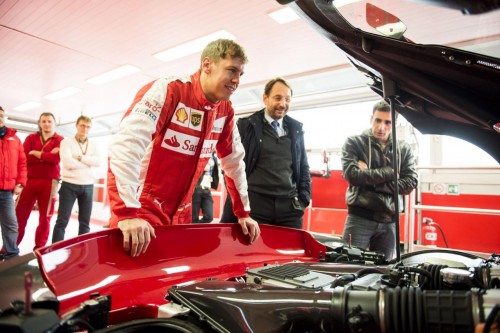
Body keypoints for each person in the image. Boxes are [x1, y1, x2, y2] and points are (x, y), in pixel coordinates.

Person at [107, 39, 260, 257]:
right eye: (232, 70)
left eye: (240, 74)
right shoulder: (168, 90)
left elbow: (234, 162)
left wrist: (243, 212)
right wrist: (127, 212)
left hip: (182, 213)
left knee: (172, 284)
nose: (236, 80)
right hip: (141, 211)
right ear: (207, 65)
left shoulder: (225, 111)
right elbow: (126, 145)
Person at [220, 77, 311, 229]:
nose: (283, 104)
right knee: (253, 252)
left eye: (287, 99)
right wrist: (240, 203)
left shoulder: (296, 130)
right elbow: (230, 166)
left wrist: (304, 199)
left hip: (289, 209)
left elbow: (304, 167)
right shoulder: (246, 126)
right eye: (278, 98)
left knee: (290, 252)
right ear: (265, 98)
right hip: (255, 205)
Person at [341, 100, 418, 260]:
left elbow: (410, 183)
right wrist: (390, 172)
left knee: (383, 273)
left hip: (390, 221)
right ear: (371, 119)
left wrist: (368, 177)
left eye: (387, 122)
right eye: (378, 120)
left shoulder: (403, 149)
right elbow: (352, 175)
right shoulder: (354, 142)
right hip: (360, 217)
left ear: (394, 123)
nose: (381, 127)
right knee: (348, 266)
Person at [16, 112, 63, 250]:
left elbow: (56, 159)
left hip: (50, 182)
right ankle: (10, 247)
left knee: (45, 218)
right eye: (44, 121)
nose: (47, 124)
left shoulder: (60, 140)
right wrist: (47, 156)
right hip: (30, 180)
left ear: (54, 123)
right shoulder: (31, 137)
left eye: (49, 121)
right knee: (19, 215)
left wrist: (36, 154)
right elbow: (25, 158)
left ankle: (39, 248)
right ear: (40, 123)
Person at [52, 116, 101, 243]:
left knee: (85, 222)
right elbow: (68, 163)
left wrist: (79, 157)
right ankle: (54, 250)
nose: (85, 129)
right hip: (69, 185)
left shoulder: (94, 144)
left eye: (88, 126)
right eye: (82, 125)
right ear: (77, 125)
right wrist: (88, 162)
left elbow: (97, 162)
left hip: (88, 186)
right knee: (62, 221)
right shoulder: (66, 142)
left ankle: (83, 251)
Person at [0, 106, 27, 260]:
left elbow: (22, 163)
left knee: (11, 224)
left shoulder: (14, 138)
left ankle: (11, 255)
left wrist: (21, 183)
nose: (0, 118)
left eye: (2, 115)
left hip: (6, 191)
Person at [191, 152, 218, 223]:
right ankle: (193, 230)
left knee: (209, 217)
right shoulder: (200, 154)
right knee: (193, 217)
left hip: (206, 188)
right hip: (196, 188)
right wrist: (202, 167)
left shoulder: (214, 157)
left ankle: (195, 228)